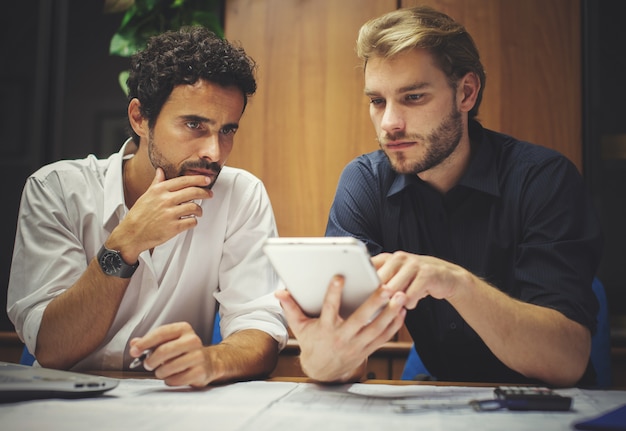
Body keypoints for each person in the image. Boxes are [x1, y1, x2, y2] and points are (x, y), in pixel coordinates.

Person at [276, 6, 602, 387]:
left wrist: (456, 284)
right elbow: (341, 360)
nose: (389, 124)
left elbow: (566, 361)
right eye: (378, 101)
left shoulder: (543, 179)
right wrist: (322, 356)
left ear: (466, 92)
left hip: (550, 411)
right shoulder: (364, 182)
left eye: (413, 97)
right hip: (441, 402)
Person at [8, 27, 288, 387]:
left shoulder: (241, 195)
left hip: (174, 405)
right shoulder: (56, 190)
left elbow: (258, 328)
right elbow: (52, 348)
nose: (214, 153)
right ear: (140, 118)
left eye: (227, 131)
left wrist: (210, 359)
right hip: (61, 406)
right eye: (194, 125)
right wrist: (125, 243)